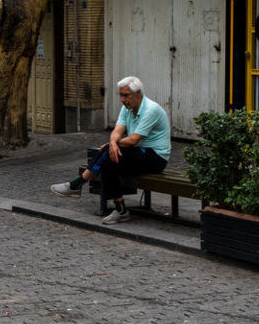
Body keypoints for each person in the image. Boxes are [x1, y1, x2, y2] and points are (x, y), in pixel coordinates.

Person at [50, 76, 171, 225]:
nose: (122, 99)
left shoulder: (151, 109)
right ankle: (121, 211)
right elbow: (117, 130)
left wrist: (112, 144)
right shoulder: (127, 108)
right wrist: (113, 142)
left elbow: (134, 140)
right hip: (137, 153)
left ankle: (79, 182)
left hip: (156, 157)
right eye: (120, 95)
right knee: (108, 160)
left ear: (138, 93)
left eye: (126, 95)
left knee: (108, 152)